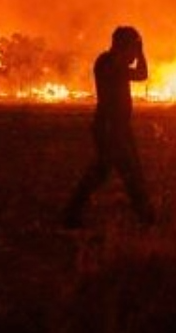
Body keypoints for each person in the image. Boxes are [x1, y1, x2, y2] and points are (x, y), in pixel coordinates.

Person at [63, 26, 155, 227]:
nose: (133, 54)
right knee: (127, 171)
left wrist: (138, 52)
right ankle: (146, 216)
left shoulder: (114, 62)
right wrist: (139, 53)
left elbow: (142, 74)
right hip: (109, 127)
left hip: (119, 127)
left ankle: (71, 213)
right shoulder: (108, 62)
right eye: (131, 47)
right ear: (122, 45)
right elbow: (140, 73)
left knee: (112, 170)